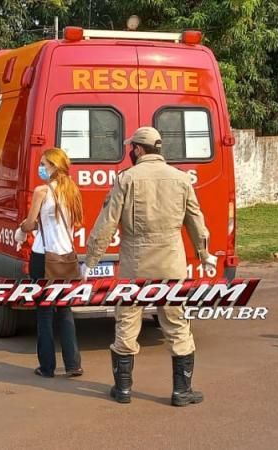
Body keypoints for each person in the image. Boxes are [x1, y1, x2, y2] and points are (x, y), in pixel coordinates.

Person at [82, 127, 217, 406]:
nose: (130, 152)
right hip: (171, 265)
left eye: (132, 148)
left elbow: (106, 223)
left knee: (127, 324)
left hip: (135, 265)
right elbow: (197, 223)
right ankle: (181, 392)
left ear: (139, 150)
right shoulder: (181, 179)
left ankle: (123, 390)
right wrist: (205, 255)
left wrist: (92, 260)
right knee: (178, 325)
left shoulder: (126, 179)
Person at [17, 148, 83, 378]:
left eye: (44, 164)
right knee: (65, 310)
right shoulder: (73, 191)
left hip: (43, 258)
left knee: (44, 313)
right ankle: (73, 364)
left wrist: (22, 230)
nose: (41, 168)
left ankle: (47, 367)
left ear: (55, 167)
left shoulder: (41, 191)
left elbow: (29, 223)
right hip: (66, 258)